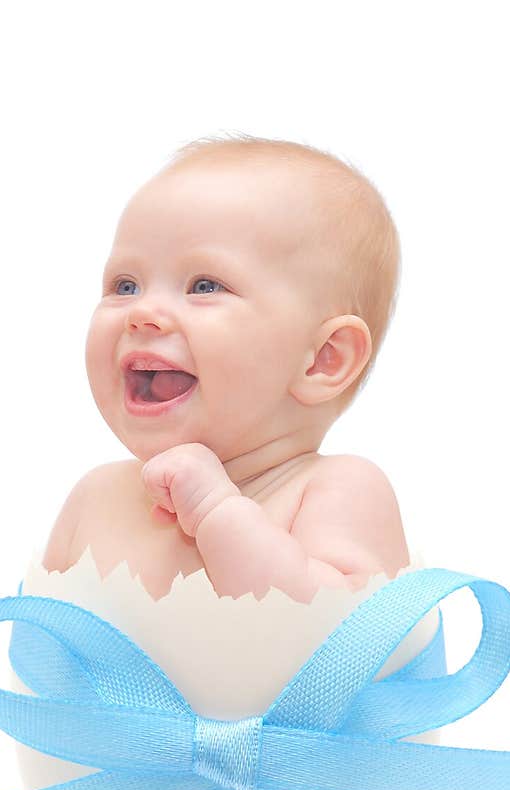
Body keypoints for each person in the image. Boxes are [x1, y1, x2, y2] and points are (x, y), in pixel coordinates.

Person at [44, 134, 409, 604]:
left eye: (204, 284)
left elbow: (347, 641)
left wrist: (217, 511)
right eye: (126, 284)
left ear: (324, 358)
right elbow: (38, 653)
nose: (143, 311)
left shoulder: (338, 491)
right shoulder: (95, 499)